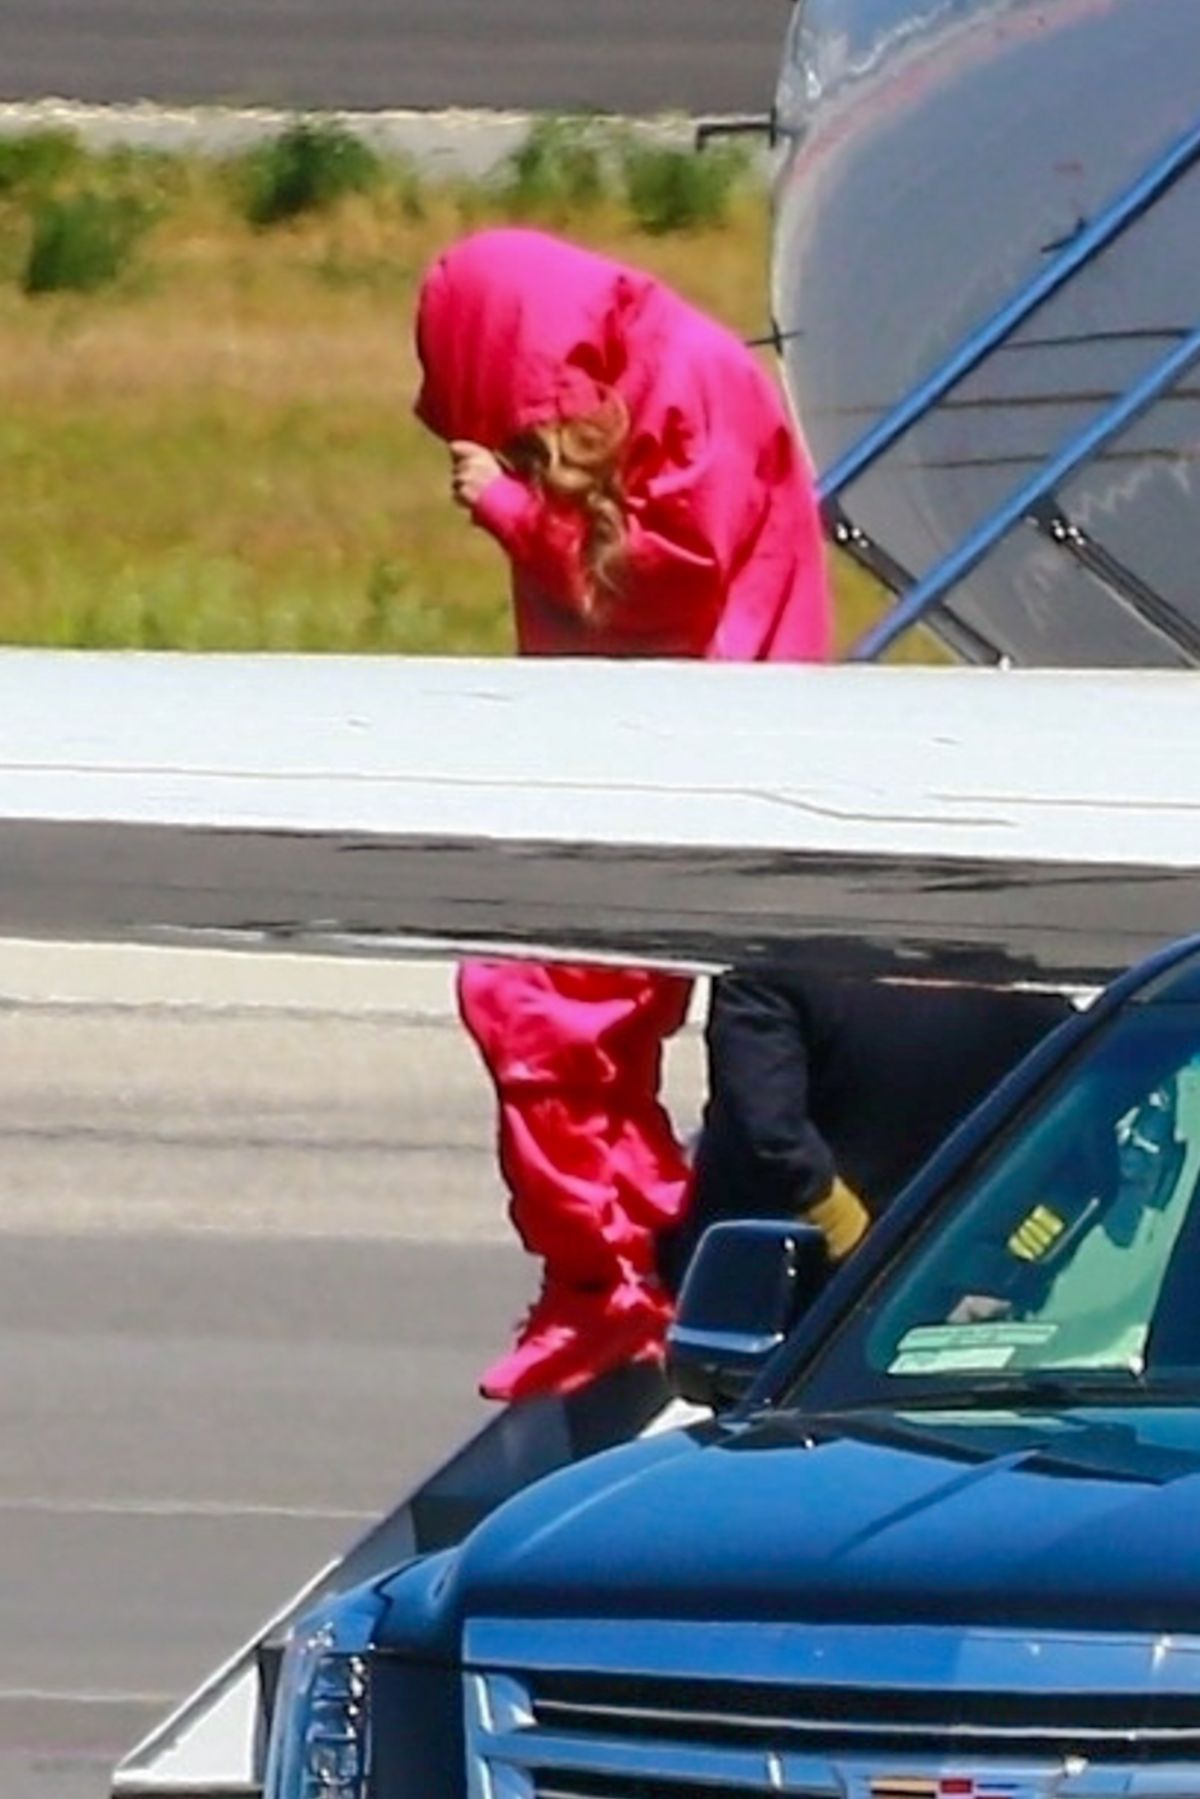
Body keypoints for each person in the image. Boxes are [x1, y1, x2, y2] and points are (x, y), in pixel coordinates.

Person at [413, 227, 832, 1401]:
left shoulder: (684, 379)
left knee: (532, 995)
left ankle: (616, 1275)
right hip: (655, 740)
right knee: (560, 1008)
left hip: (694, 749)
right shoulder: (636, 370)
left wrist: (512, 509)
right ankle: (614, 1264)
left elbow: (665, 578)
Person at [657, 963, 1078, 1294]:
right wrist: (1006, 1264)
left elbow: (771, 1139)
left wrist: (858, 1248)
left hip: (785, 1297)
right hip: (961, 1298)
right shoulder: (1035, 1000)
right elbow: (1083, 1161)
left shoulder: (776, 974)